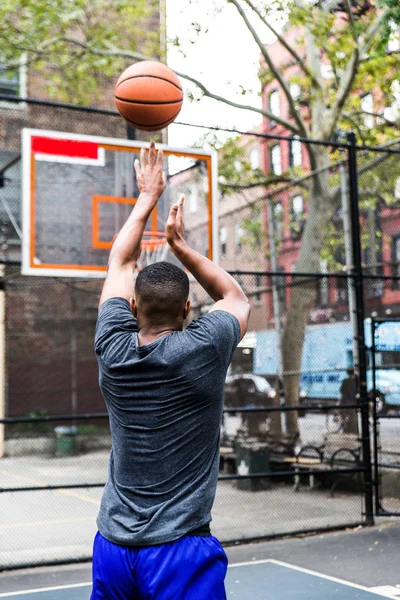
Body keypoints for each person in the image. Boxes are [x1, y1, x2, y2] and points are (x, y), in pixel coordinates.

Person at [91, 141, 250, 600]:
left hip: (113, 546)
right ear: (187, 308)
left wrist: (146, 196)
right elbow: (236, 299)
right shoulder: (203, 346)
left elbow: (119, 261)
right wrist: (179, 247)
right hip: (179, 548)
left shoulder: (112, 347)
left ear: (133, 306)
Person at [339, 368, 358, 434]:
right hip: (352, 402)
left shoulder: (345, 381)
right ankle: (352, 430)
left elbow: (341, 390)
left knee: (345, 416)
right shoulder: (356, 381)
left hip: (345, 402)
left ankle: (346, 429)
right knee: (352, 417)